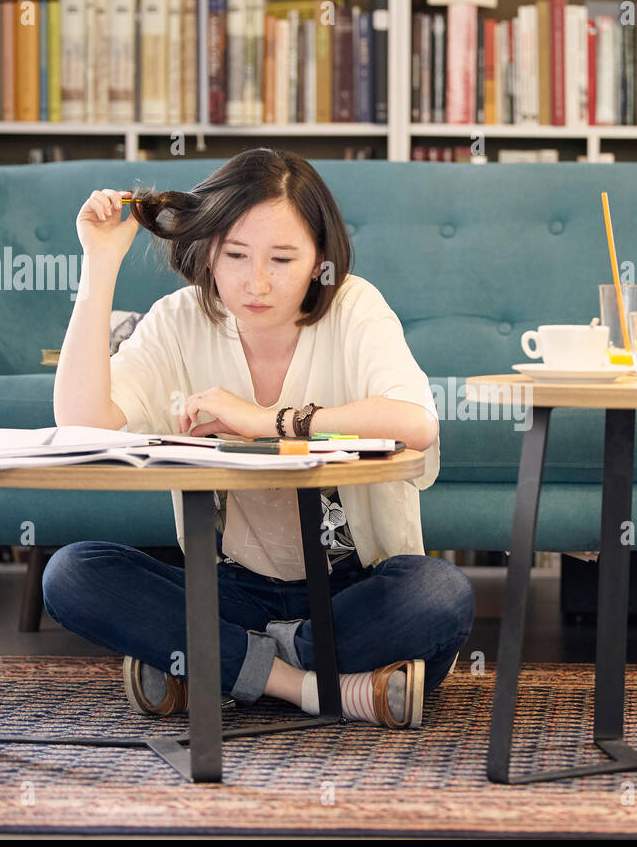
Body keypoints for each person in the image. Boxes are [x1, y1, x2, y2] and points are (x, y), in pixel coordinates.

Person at [43, 147, 475, 728]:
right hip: (228, 589)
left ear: (320, 259)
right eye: (237, 255)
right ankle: (311, 686)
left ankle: (211, 664)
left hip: (350, 590)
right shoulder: (179, 320)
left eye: (283, 258)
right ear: (207, 250)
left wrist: (267, 421)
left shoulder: (354, 308)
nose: (258, 282)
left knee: (438, 594)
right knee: (73, 573)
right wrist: (99, 265)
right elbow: (80, 424)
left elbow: (415, 423)